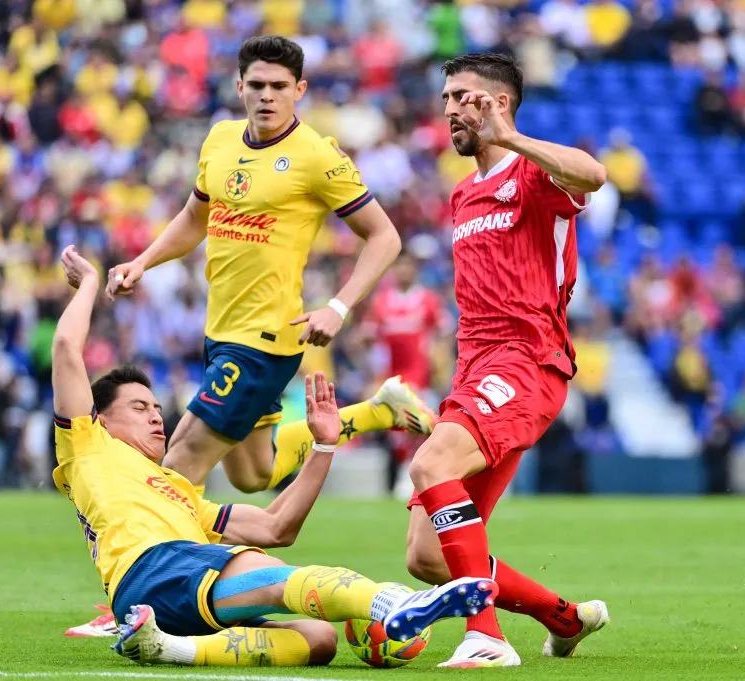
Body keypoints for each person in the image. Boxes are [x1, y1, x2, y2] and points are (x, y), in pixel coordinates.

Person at [52, 245, 496, 667]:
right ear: (100, 420)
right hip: (156, 567)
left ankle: (169, 647)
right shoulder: (88, 446)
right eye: (138, 408)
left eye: (155, 407)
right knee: (272, 572)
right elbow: (67, 350)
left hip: (170, 594)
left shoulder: (179, 490)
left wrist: (324, 446)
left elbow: (276, 526)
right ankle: (392, 602)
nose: (155, 416)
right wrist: (89, 282)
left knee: (318, 639)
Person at [105, 36, 432, 498]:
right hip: (220, 331)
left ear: (299, 90)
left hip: (265, 340)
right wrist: (143, 262)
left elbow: (385, 237)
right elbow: (195, 218)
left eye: (279, 86)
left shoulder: (317, 155)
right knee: (253, 474)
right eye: (257, 85)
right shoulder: (220, 139)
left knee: (180, 461)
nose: (267, 96)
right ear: (239, 86)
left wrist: (338, 307)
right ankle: (377, 412)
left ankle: (145, 547)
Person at [403, 53, 610, 667]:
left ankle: (487, 637)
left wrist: (513, 138)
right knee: (427, 556)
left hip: (526, 363)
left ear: (498, 103)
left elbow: (594, 174)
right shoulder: (462, 194)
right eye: (445, 97)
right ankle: (565, 618)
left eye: (462, 97)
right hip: (475, 370)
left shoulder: (534, 173)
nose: (449, 109)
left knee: (430, 462)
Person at [363, 251, 451, 494]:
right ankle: (406, 471)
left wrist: (439, 365)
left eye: (408, 266)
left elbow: (445, 332)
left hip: (419, 373)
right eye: (399, 266)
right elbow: (368, 337)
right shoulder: (381, 302)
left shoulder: (428, 300)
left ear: (415, 269)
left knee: (416, 422)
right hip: (390, 375)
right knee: (397, 427)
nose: (403, 270)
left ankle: (410, 473)